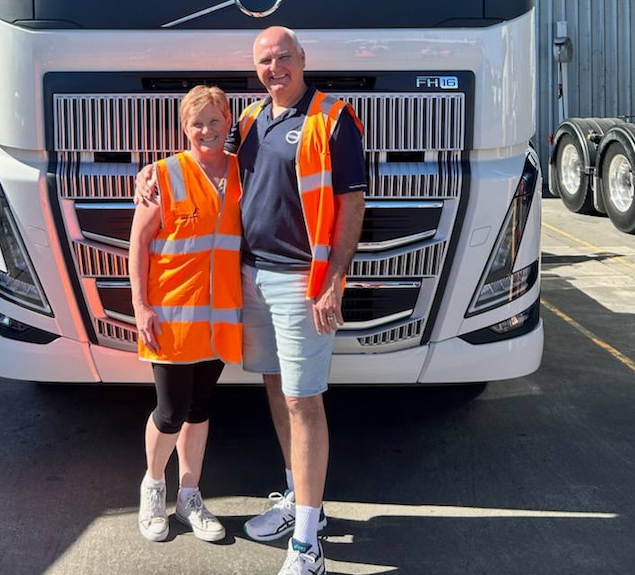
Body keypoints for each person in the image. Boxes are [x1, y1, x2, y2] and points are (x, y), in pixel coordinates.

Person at [136, 26, 366, 574]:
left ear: (303, 59)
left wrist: (334, 279)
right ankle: (296, 502)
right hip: (251, 278)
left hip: (299, 281)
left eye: (284, 57)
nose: (275, 68)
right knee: (275, 389)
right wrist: (151, 172)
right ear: (256, 69)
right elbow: (205, 155)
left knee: (303, 401)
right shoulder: (249, 121)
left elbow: (352, 204)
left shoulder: (333, 119)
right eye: (265, 61)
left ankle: (308, 546)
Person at [128, 85, 242, 544]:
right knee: (171, 411)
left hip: (218, 319)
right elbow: (138, 243)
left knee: (200, 408)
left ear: (228, 121)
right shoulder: (163, 175)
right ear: (184, 127)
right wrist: (140, 306)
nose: (206, 131)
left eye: (215, 121)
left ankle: (190, 496)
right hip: (171, 317)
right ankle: (153, 487)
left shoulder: (242, 172)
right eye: (197, 123)